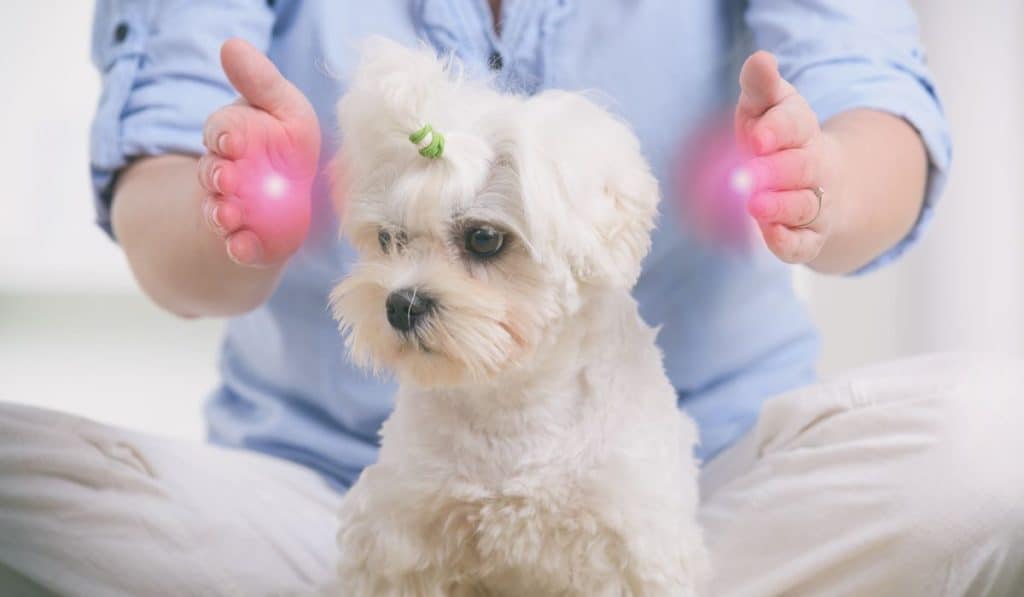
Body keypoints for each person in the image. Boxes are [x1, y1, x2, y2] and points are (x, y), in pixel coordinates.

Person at [1, 1, 1022, 595]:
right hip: (320, 502)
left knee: (993, 440)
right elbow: (166, 229)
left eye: (479, 243)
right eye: (391, 242)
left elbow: (871, 99)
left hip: (710, 493)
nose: (412, 282)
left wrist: (826, 181)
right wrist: (233, 215)